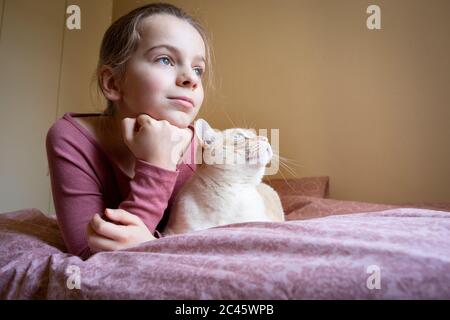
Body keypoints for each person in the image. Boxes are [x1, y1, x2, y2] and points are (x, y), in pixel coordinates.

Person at [46, 3, 213, 259]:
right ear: (113, 82)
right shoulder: (70, 138)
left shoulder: (203, 149)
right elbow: (89, 251)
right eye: (165, 59)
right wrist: (157, 165)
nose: (190, 78)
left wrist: (148, 243)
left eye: (198, 69)